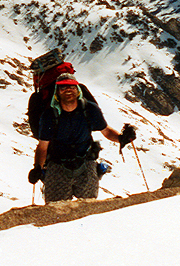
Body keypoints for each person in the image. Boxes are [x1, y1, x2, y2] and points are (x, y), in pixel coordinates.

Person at [27, 73, 136, 203]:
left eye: (72, 87)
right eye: (63, 87)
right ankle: (97, 172)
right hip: (60, 163)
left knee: (87, 207)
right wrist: (37, 167)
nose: (68, 90)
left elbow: (106, 131)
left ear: (78, 90)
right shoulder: (50, 115)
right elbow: (43, 147)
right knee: (58, 207)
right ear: (57, 92)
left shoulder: (89, 109)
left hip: (83, 161)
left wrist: (121, 138)